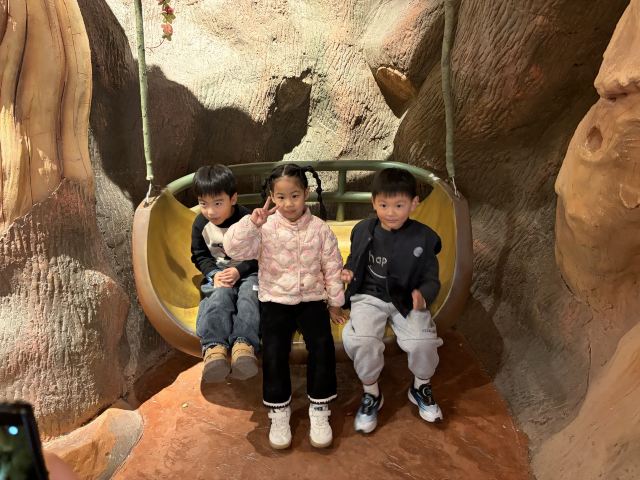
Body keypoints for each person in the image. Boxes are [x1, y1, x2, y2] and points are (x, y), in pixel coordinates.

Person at [223, 163, 345, 450]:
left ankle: (320, 408)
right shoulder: (263, 228)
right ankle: (278, 411)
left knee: (322, 345)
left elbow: (332, 267)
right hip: (275, 300)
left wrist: (335, 303)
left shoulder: (320, 229)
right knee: (274, 349)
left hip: (312, 299)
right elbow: (232, 249)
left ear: (306, 194)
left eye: (294, 196)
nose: (288, 203)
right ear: (271, 197)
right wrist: (251, 223)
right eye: (280, 197)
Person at [341, 167, 444, 434]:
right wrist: (349, 271)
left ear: (414, 203)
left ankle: (420, 386)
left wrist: (423, 296)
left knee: (423, 341)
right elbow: (354, 259)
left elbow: (431, 278)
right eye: (384, 205)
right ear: (373, 202)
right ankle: (371, 392)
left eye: (399, 205)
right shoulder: (363, 229)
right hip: (368, 296)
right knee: (363, 340)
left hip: (406, 297)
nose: (391, 212)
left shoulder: (423, 237)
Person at [191, 165, 260, 383]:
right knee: (219, 296)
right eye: (203, 204)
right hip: (219, 273)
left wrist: (240, 271)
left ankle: (244, 345)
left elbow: (260, 253)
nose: (210, 211)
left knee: (250, 295)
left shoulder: (247, 220)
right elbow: (199, 255)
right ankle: (214, 348)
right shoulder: (201, 224)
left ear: (233, 199)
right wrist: (213, 274)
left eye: (217, 203)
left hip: (247, 271)